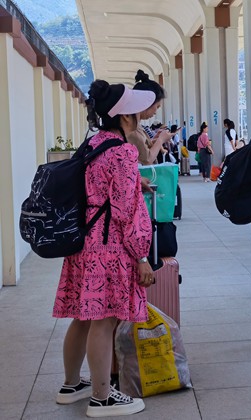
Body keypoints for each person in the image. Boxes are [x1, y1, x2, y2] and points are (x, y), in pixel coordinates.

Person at [53, 80, 156, 417]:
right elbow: (127, 210)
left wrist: (133, 181)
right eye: (136, 109)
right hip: (109, 247)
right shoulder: (124, 152)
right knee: (104, 320)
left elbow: (100, 188)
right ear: (125, 117)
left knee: (83, 318)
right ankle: (102, 398)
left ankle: (72, 385)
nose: (141, 114)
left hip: (84, 244)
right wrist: (141, 255)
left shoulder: (92, 145)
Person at [127, 70, 174, 165]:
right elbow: (147, 159)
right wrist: (161, 140)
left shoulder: (135, 126)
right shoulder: (132, 128)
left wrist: (153, 141)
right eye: (157, 106)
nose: (156, 111)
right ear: (147, 102)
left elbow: (140, 148)